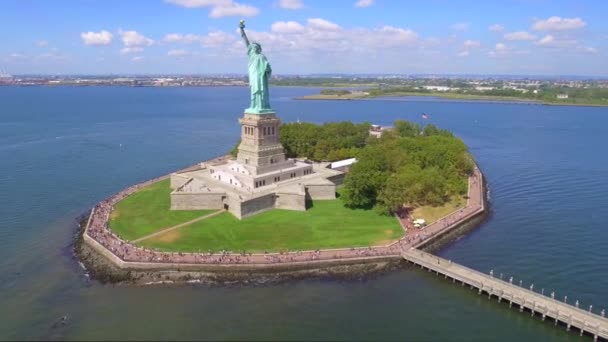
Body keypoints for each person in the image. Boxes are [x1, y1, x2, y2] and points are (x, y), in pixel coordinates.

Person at [239, 20, 272, 113]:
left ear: (259, 48)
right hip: (254, 76)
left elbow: (268, 68)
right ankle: (254, 105)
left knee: (261, 92)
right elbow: (245, 41)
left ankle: (262, 105)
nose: (254, 48)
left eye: (256, 47)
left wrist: (267, 68)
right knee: (254, 91)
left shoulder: (262, 57)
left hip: (260, 77)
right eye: (253, 47)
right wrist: (241, 29)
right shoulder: (252, 55)